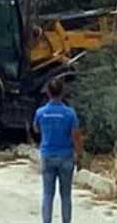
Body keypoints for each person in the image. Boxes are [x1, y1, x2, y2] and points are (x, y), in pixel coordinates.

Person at [34, 77, 83, 223]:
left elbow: (36, 128)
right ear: (62, 93)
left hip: (47, 156)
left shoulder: (41, 112)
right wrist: (79, 155)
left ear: (48, 92)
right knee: (66, 196)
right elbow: (76, 136)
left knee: (48, 194)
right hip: (66, 157)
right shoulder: (70, 114)